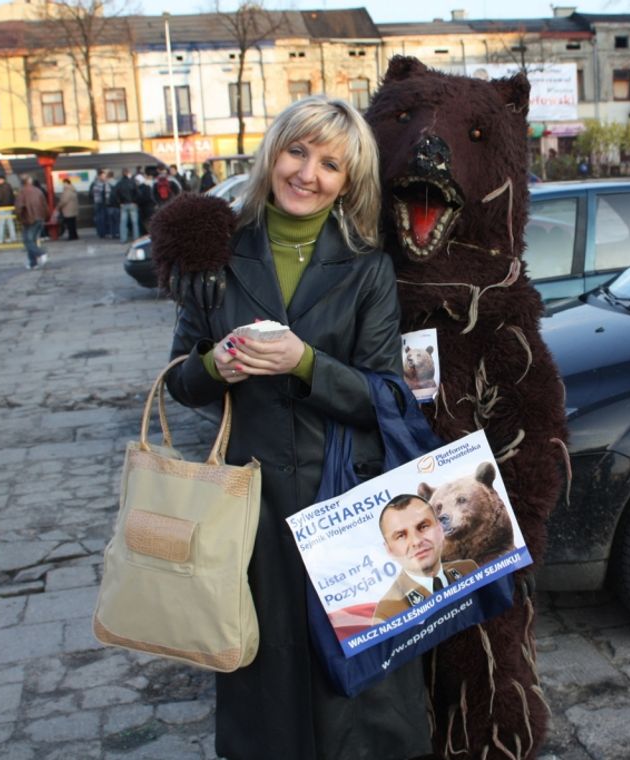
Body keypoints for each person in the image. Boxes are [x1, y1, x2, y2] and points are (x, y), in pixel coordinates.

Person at [162, 96, 432, 760]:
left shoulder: (368, 267)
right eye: (297, 151)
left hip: (345, 501)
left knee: (359, 694)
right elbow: (178, 381)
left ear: (349, 180)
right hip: (250, 511)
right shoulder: (217, 257)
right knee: (266, 678)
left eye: (330, 163)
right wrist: (215, 365)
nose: (308, 173)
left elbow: (389, 396)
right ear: (272, 153)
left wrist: (305, 362)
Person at [371, 494, 478, 623]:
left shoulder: (468, 569)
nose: (416, 541)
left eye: (423, 526)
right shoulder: (386, 614)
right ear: (389, 550)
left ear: (440, 529)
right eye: (401, 536)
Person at [14, 175, 47, 269]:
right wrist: (45, 216)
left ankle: (41, 253)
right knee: (32, 241)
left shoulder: (22, 192)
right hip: (40, 218)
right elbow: (44, 205)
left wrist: (19, 218)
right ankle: (33, 263)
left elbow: (18, 208)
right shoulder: (38, 191)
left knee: (27, 241)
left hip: (29, 219)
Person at [115, 168, 138, 243]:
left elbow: (116, 194)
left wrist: (120, 202)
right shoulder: (132, 182)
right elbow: (137, 192)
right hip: (132, 204)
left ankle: (123, 239)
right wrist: (135, 201)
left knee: (123, 223)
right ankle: (136, 238)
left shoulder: (119, 183)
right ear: (128, 173)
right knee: (135, 222)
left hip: (123, 204)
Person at [0, 176, 16, 244]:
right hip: (9, 207)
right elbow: (12, 197)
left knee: (1, 224)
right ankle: (13, 237)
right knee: (10, 223)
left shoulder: (0, 188)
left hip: (2, 207)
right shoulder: (9, 186)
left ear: (1, 180)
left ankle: (0, 239)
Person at [90, 170, 110, 238]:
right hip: (100, 202)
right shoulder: (98, 183)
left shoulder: (96, 183)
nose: (104, 177)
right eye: (103, 176)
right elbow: (105, 192)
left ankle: (102, 232)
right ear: (99, 176)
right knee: (100, 218)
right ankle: (102, 232)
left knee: (102, 218)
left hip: (100, 202)